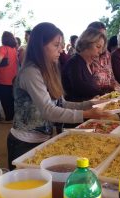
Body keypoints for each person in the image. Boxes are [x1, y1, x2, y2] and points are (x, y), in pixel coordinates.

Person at [8, 22, 110, 170]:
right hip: (24, 143)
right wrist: (87, 113)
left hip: (45, 140)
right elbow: (49, 111)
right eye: (56, 45)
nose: (61, 50)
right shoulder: (31, 72)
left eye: (61, 45)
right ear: (40, 45)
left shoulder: (50, 68)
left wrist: (91, 103)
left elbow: (62, 104)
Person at [62, 27, 108, 102]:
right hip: (77, 110)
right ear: (86, 43)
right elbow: (82, 90)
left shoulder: (86, 63)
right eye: (98, 47)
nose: (100, 52)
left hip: (89, 106)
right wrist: (107, 95)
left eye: (101, 48)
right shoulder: (75, 63)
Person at [87, 21, 120, 93]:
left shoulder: (107, 55)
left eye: (105, 37)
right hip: (95, 100)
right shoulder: (85, 58)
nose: (104, 40)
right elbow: (87, 88)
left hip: (110, 97)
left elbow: (112, 78)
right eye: (101, 36)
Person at [0, 31, 18, 122]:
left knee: (4, 99)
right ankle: (11, 116)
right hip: (12, 78)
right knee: (10, 99)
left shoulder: (3, 48)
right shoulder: (13, 49)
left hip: (2, 78)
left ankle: (9, 117)